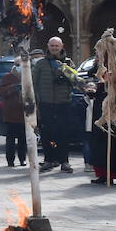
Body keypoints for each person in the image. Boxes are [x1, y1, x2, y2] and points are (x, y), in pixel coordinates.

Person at [34, 36, 77, 174]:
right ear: (48, 46)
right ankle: (48, 160)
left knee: (63, 133)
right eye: (52, 46)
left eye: (56, 46)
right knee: (46, 133)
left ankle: (64, 161)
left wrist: (64, 76)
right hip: (46, 103)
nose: (54, 48)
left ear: (62, 46)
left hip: (63, 103)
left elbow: (75, 81)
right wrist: (35, 100)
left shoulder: (69, 63)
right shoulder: (40, 64)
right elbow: (34, 83)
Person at [0, 66, 28, 167]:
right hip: (10, 113)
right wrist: (13, 88)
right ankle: (10, 160)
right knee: (10, 139)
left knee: (23, 139)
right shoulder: (8, 77)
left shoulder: (28, 75)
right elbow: (1, 91)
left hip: (24, 113)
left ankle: (22, 159)